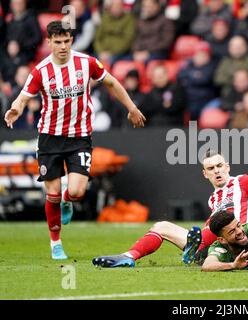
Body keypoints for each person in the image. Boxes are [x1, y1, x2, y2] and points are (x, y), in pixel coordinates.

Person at [3, 21, 146, 260]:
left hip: (79, 136)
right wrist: (15, 109)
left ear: (71, 41)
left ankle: (68, 201)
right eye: (57, 42)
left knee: (77, 191)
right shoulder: (41, 70)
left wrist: (131, 108)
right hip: (49, 138)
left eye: (66, 41)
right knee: (53, 193)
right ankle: (55, 243)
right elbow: (23, 96)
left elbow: (111, 82)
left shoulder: (86, 63)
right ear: (48, 42)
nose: (62, 46)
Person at [92, 150, 248, 267]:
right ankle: (129, 257)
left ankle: (194, 247)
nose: (217, 171)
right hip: (219, 245)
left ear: (228, 167)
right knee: (161, 226)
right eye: (211, 169)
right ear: (205, 174)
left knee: (209, 231)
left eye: (220, 166)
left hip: (244, 238)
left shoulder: (244, 181)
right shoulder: (213, 199)